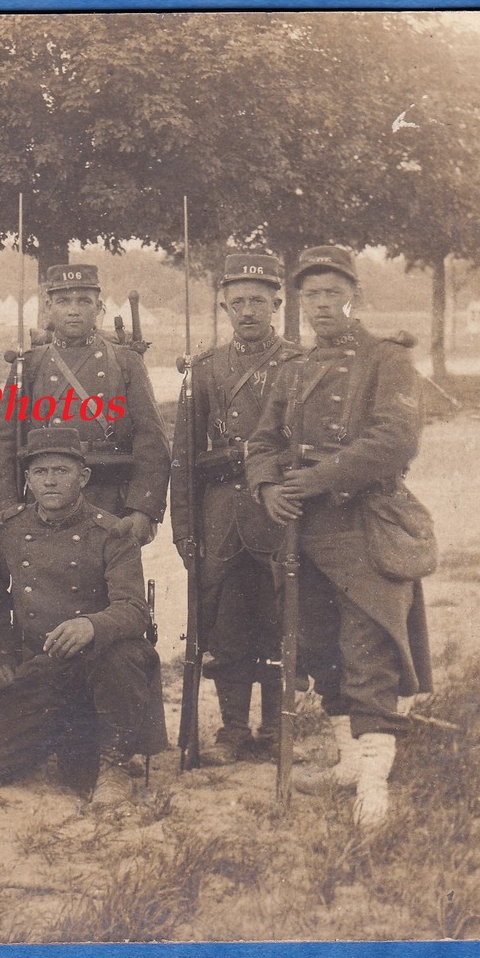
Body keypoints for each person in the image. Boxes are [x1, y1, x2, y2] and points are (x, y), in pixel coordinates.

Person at [245, 245, 434, 828]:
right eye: (311, 294)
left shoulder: (386, 360)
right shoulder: (293, 368)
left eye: (332, 292)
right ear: (298, 302)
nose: (321, 304)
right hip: (304, 530)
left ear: (354, 295)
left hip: (363, 523)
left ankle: (375, 784)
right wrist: (269, 488)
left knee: (368, 649)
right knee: (319, 647)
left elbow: (392, 442)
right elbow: (263, 441)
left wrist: (314, 480)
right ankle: (350, 762)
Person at [0, 429, 167, 807]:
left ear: (83, 478)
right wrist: (2, 659)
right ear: (27, 480)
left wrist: (91, 625)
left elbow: (134, 609)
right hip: (39, 666)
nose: (51, 480)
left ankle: (113, 764)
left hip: (96, 665)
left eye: (61, 470)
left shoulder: (112, 532)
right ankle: (64, 737)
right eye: (40, 472)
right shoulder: (8, 531)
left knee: (122, 656)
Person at [170, 253, 305, 765]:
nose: (247, 310)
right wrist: (185, 528)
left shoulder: (297, 366)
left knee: (278, 616)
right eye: (237, 301)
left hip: (277, 507)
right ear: (224, 305)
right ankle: (231, 727)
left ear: (276, 302)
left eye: (258, 300)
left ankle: (274, 726)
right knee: (224, 621)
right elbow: (184, 455)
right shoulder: (205, 369)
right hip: (220, 511)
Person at [0, 263, 169, 545]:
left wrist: (142, 511)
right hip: (43, 502)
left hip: (108, 499)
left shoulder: (124, 362)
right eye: (63, 301)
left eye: (83, 301)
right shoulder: (30, 365)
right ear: (48, 307)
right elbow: (2, 443)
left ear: (99, 307)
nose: (73, 310)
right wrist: (7, 508)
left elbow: (151, 441)